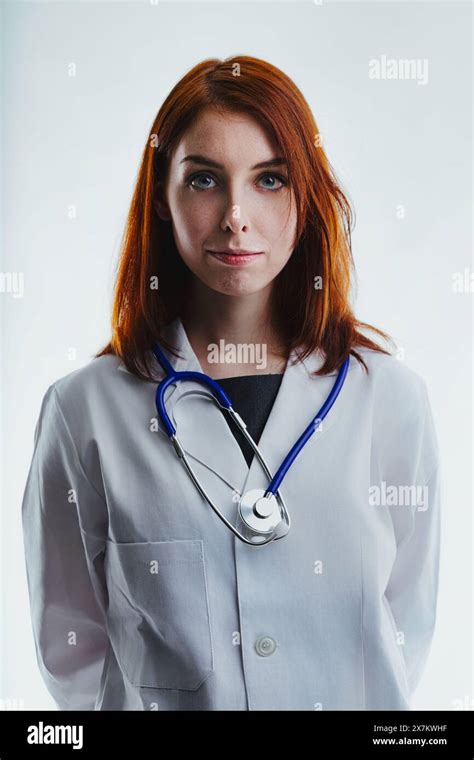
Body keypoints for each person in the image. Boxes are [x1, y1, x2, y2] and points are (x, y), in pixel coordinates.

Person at [21, 55, 441, 711]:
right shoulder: (84, 413)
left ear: (307, 194)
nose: (236, 215)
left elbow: (403, 631)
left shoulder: (390, 401)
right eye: (204, 180)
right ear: (162, 196)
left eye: (270, 179)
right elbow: (74, 654)